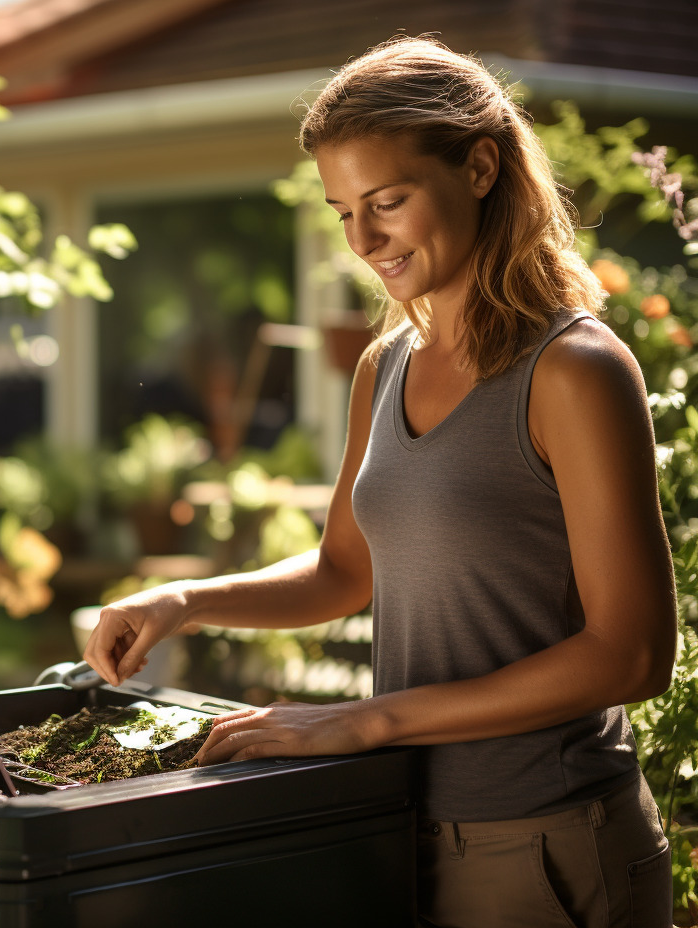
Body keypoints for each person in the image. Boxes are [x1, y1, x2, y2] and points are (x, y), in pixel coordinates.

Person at [83, 36, 678, 928]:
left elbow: (633, 654)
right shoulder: (385, 365)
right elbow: (343, 572)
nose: (363, 240)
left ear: (480, 167)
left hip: (550, 840)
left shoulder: (574, 370)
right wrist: (184, 599)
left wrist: (369, 720)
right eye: (342, 212)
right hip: (402, 823)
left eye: (388, 202)